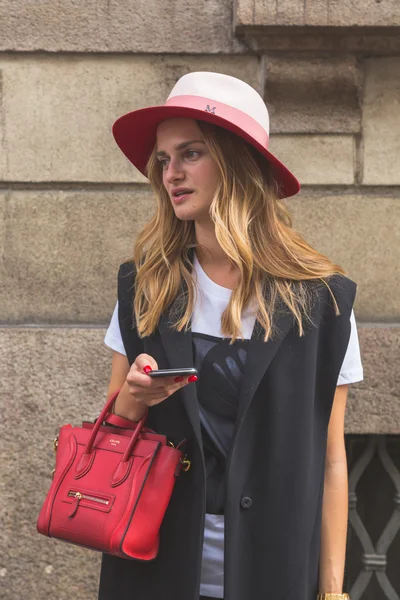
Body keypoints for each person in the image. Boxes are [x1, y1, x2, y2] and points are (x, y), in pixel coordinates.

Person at [99, 72, 363, 600]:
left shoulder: (324, 303)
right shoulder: (145, 288)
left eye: (190, 153)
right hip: (153, 568)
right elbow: (111, 436)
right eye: (163, 159)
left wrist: (332, 592)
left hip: (273, 568)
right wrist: (135, 395)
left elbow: (331, 459)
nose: (171, 173)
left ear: (238, 163)